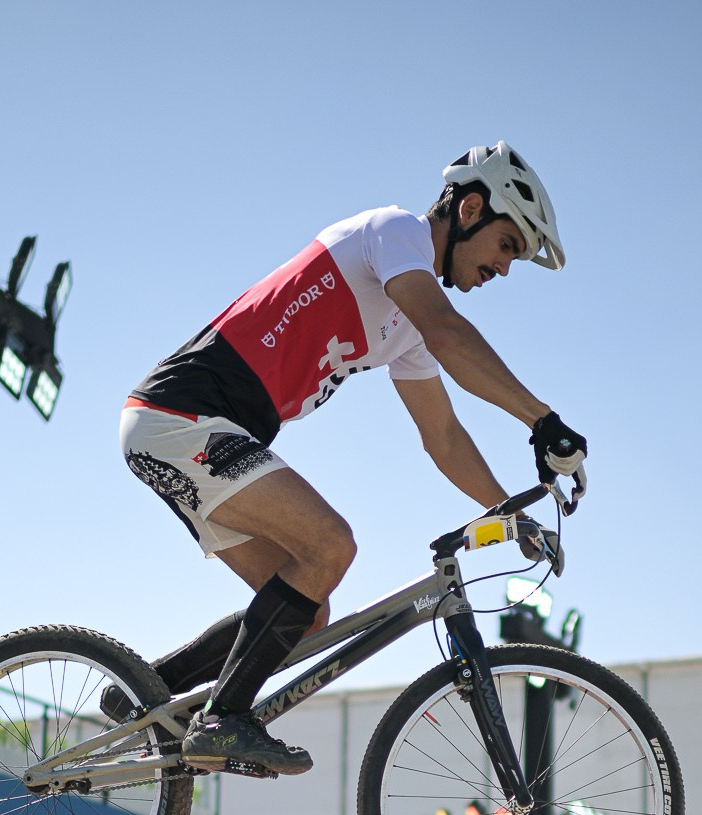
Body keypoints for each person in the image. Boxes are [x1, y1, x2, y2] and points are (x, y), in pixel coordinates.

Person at [121, 142, 586, 776]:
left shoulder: (408, 326)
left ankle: (140, 690)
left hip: (193, 429)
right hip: (184, 417)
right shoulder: (394, 233)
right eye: (507, 246)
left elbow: (443, 436)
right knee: (331, 545)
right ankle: (224, 721)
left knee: (306, 615)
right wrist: (544, 421)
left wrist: (509, 516)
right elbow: (451, 334)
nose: (505, 269)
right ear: (470, 208)